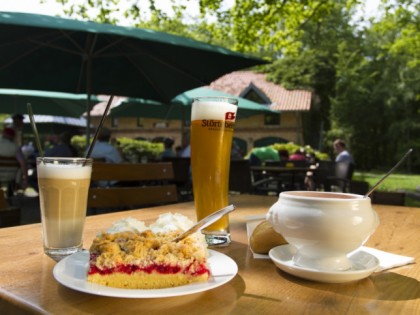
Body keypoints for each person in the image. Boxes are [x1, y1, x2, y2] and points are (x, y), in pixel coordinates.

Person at [0, 127, 28, 195]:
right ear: (13, 136)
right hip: (11, 176)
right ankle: (11, 192)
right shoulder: (15, 147)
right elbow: (23, 164)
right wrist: (25, 178)